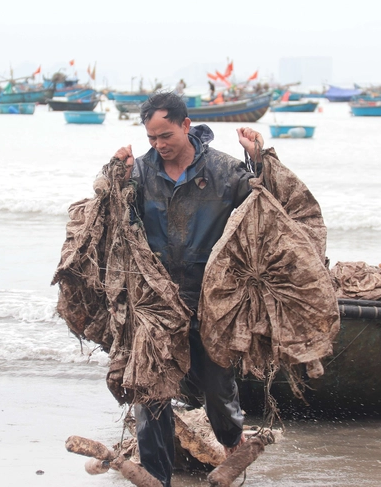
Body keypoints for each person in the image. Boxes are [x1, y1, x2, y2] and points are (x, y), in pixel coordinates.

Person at [113, 91, 264, 487]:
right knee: (152, 392)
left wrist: (259, 159)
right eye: (151, 138)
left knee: (217, 388)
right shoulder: (141, 173)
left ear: (186, 125)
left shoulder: (224, 171)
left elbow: (267, 206)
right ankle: (157, 478)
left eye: (166, 135)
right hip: (156, 302)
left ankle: (233, 444)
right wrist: (115, 174)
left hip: (209, 298)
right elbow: (114, 218)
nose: (159, 145)